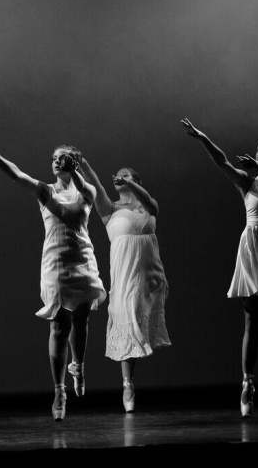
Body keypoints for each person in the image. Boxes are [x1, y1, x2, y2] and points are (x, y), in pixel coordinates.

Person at [0, 137, 106, 421]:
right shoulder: (45, 191)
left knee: (81, 320)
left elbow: (84, 189)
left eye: (63, 158)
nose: (56, 161)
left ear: (74, 163)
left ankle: (77, 367)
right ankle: (59, 390)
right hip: (55, 261)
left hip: (82, 258)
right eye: (54, 158)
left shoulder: (87, 189)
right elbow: (18, 175)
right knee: (59, 326)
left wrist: (76, 169)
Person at [180, 118, 258, 417]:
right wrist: (203, 137)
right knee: (252, 320)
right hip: (252, 248)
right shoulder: (248, 181)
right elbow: (221, 162)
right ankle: (248, 384)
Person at [79, 159, 171, 412]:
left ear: (137, 182)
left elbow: (150, 201)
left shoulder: (149, 207)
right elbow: (95, 183)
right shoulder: (110, 209)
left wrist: (130, 182)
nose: (119, 177)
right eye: (118, 175)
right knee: (127, 321)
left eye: (126, 175)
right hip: (124, 276)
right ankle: (128, 383)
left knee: (143, 326)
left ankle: (133, 380)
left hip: (150, 275)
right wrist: (84, 164)